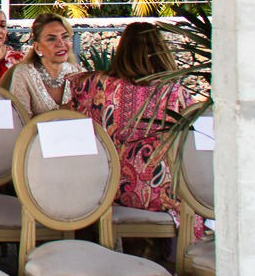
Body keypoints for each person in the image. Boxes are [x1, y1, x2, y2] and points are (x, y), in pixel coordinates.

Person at [67, 23, 192, 214]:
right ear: (161, 51)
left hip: (106, 188)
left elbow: (70, 107)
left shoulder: (97, 85)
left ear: (122, 50)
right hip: (162, 193)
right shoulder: (175, 93)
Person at [11, 12, 79, 116]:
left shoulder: (79, 73)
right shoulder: (23, 74)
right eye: (51, 39)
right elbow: (20, 122)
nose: (61, 43)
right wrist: (63, 110)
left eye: (65, 37)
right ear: (38, 48)